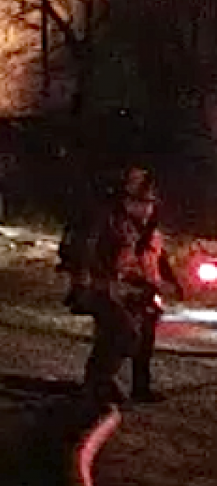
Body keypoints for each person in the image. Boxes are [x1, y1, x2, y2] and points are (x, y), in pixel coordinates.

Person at [66, 167, 182, 406]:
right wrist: (83, 282)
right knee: (123, 332)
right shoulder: (107, 222)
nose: (147, 209)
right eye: (141, 202)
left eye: (149, 204)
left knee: (141, 334)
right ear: (126, 200)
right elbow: (87, 252)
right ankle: (98, 384)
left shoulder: (145, 229)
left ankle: (133, 387)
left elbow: (154, 259)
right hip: (104, 289)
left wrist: (166, 283)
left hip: (131, 289)